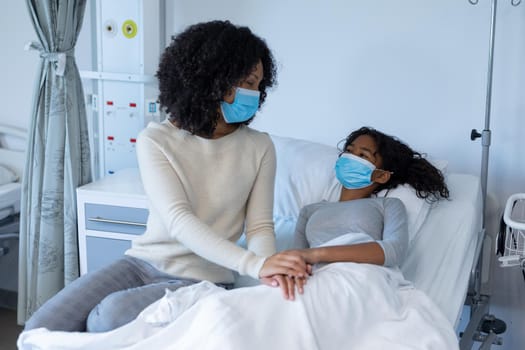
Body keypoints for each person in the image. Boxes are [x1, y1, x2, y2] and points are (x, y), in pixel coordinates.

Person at [24, 20, 309, 333]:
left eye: (258, 85)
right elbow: (178, 219)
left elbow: (259, 227)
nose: (254, 93)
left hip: (202, 279)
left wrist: (264, 275)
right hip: (139, 263)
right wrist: (254, 264)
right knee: (40, 327)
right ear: (214, 80)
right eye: (248, 82)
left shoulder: (259, 146)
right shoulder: (156, 140)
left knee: (106, 318)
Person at [269, 126, 450, 298]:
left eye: (363, 155)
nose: (351, 157)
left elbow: (394, 251)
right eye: (349, 151)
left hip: (360, 280)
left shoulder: (388, 205)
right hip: (314, 282)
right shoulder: (310, 211)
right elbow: (297, 259)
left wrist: (316, 254)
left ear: (381, 175)